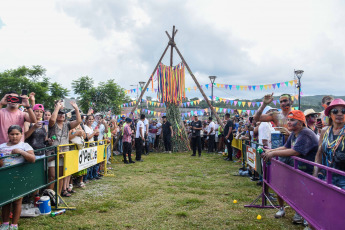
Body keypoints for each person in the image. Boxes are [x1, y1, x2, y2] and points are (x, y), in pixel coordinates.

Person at [261, 110, 318, 225]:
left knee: (302, 193)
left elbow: (295, 151)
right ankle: (284, 209)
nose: (289, 122)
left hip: (306, 170)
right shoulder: (294, 132)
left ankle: (304, 216)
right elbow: (285, 147)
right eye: (288, 120)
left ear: (301, 122)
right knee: (282, 186)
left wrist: (273, 153)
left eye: (292, 120)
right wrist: (270, 150)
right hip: (296, 167)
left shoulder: (305, 133)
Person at [0, 125, 35, 230]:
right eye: (12, 134)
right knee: (6, 201)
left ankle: (14, 224)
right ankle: (5, 223)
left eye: (17, 134)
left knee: (17, 200)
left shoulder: (25, 146)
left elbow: (32, 159)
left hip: (18, 176)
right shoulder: (2, 146)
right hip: (5, 176)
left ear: (21, 135)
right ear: (8, 135)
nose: (14, 136)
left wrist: (21, 152)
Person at [48, 101, 82, 197]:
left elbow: (79, 121)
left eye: (63, 114)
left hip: (64, 153)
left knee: (62, 176)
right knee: (52, 176)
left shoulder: (67, 125)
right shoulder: (52, 125)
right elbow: (52, 120)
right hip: (52, 153)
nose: (61, 115)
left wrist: (76, 108)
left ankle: (58, 196)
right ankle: (50, 197)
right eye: (59, 114)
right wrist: (57, 108)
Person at [314, 98, 345, 189]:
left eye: (343, 111)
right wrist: (314, 175)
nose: (339, 114)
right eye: (335, 111)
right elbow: (319, 154)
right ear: (330, 115)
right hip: (326, 176)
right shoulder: (324, 131)